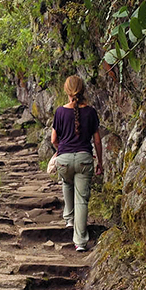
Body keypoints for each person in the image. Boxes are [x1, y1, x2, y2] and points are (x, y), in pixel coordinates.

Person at [51, 75, 102, 252]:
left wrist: (62, 150)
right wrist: (100, 163)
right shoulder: (91, 112)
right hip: (84, 158)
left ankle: (69, 219)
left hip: (64, 160)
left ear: (66, 90)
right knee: (82, 200)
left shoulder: (59, 112)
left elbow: (54, 139)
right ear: (83, 90)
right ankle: (80, 242)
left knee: (67, 182)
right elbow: (97, 141)